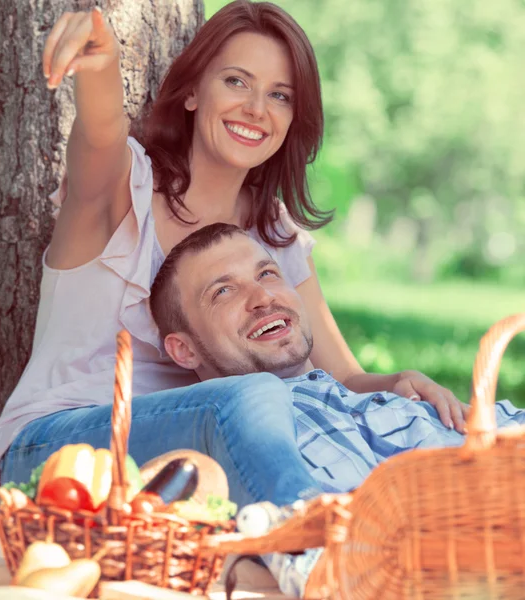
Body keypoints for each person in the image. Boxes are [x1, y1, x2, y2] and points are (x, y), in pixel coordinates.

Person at [0, 1, 463, 494]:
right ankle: (310, 543)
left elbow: (341, 375)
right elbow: (101, 129)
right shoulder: (122, 191)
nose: (256, 109)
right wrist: (100, 62)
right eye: (236, 81)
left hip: (184, 464)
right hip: (57, 452)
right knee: (250, 396)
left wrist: (401, 384)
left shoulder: (273, 229)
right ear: (192, 91)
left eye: (279, 95)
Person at [147, 221, 525, 597]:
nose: (262, 296)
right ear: (184, 349)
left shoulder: (400, 401)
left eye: (267, 273)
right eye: (224, 291)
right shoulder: (254, 447)